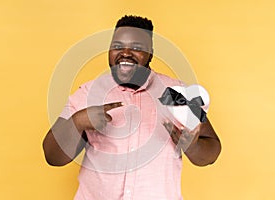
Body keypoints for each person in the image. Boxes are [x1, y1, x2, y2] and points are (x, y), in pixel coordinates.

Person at [43, 15, 221, 200]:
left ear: (150, 53)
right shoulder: (87, 93)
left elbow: (212, 150)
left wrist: (192, 147)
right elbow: (52, 156)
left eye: (137, 48)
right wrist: (77, 122)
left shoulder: (177, 93)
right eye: (117, 46)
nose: (125, 53)